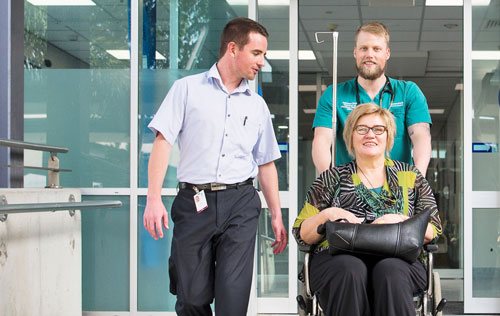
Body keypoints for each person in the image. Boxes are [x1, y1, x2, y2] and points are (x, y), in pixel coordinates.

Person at [143, 17, 287, 316]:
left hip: (241, 203)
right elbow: (162, 142)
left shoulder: (257, 105)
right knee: (191, 298)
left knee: (232, 300)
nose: (262, 62)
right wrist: (153, 199)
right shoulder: (187, 90)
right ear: (233, 48)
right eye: (257, 53)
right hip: (195, 203)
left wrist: (275, 214)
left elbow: (266, 163)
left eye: (264, 55)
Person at [293, 103, 442, 316]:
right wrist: (328, 214)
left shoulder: (411, 177)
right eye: (361, 129)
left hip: (400, 260)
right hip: (337, 260)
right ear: (350, 136)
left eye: (378, 129)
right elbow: (301, 234)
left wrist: (401, 221)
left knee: (390, 271)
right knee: (349, 269)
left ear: (389, 136)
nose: (370, 135)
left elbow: (434, 230)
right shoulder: (330, 179)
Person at [312, 21, 432, 176]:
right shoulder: (334, 94)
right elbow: (322, 140)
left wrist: (417, 182)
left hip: (399, 190)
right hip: (349, 191)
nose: (370, 54)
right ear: (355, 52)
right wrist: (328, 181)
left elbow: (421, 137)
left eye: (376, 49)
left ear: (387, 53)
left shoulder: (408, 92)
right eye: (364, 48)